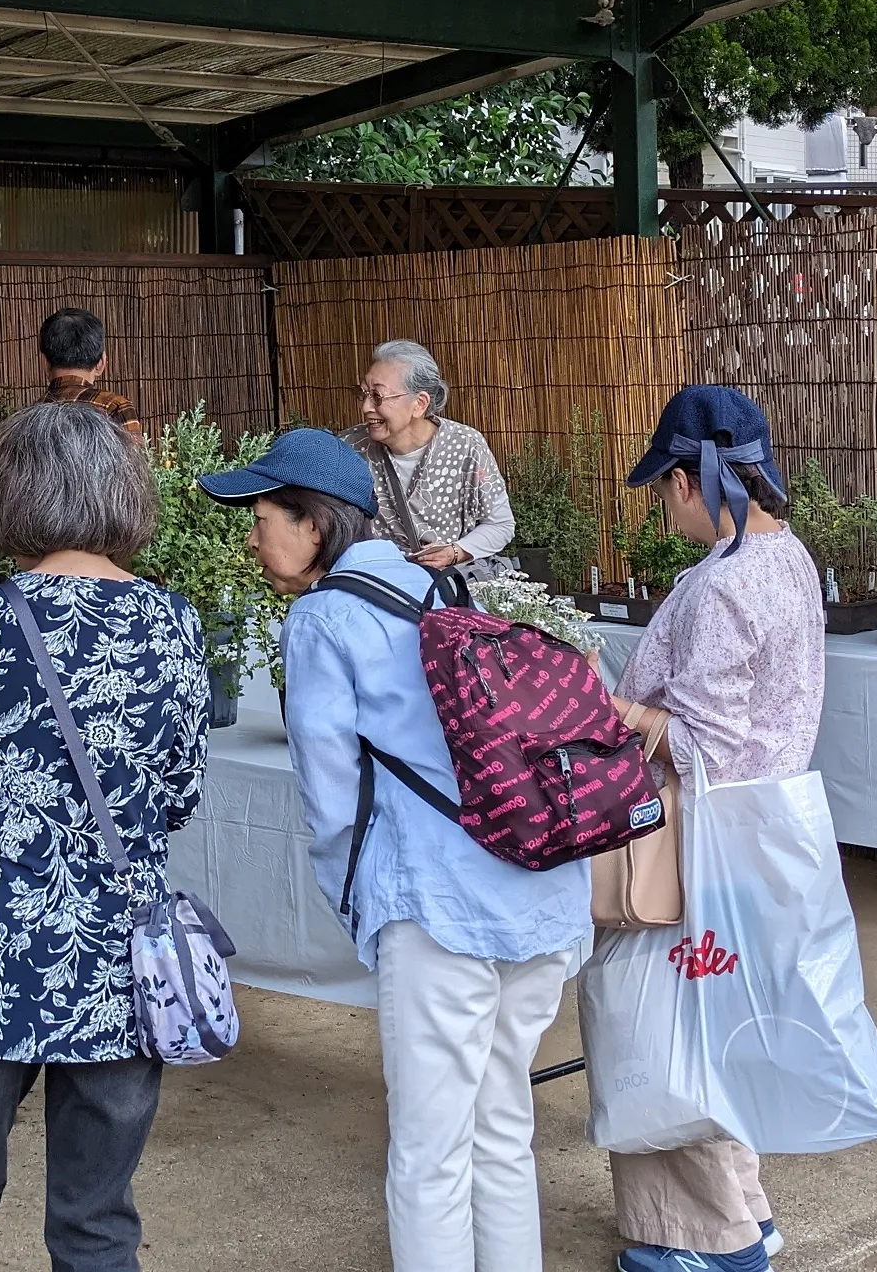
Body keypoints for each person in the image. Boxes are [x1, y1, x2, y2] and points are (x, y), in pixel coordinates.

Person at [199, 426, 587, 1272]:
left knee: (429, 1153)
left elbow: (331, 795)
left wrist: (359, 903)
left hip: (437, 907)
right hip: (541, 888)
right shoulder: (447, 589)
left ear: (313, 523)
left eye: (261, 513)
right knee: (502, 1131)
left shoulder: (323, 617)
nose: (254, 534)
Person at [0, 402, 209, 1272]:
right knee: (99, 1216)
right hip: (119, 949)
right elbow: (179, 793)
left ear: (11, 497)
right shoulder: (174, 622)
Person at [604, 385, 824, 1272]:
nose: (664, 505)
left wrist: (612, 704)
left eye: (664, 486)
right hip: (762, 834)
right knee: (717, 1023)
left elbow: (702, 743)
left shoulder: (724, 584)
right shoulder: (790, 558)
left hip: (698, 835)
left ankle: (701, 1239)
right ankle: (745, 1213)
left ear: (695, 481)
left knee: (660, 1032)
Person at [340, 339, 516, 579]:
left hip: (447, 585)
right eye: (363, 394)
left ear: (419, 404)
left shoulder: (465, 445)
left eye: (378, 396)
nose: (366, 407)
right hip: (377, 584)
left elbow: (500, 525)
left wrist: (457, 551)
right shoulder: (349, 448)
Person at [38, 306, 143, 440]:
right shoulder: (114, 408)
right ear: (101, 363)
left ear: (45, 364)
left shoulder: (24, 420)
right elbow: (134, 459)